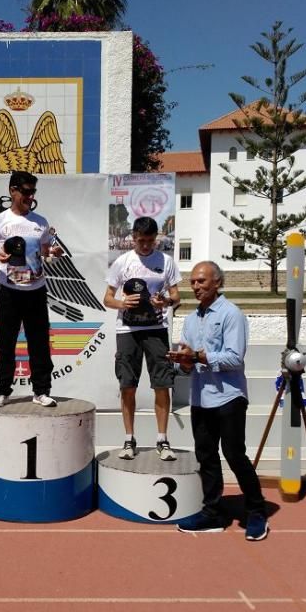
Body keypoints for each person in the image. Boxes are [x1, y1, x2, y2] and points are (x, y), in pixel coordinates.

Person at [167, 261, 269, 541]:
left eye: (202, 281)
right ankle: (213, 512)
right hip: (201, 398)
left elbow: (235, 358)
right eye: (193, 282)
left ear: (217, 283)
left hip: (229, 397)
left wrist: (199, 357)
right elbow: (188, 364)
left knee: (235, 455)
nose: (196, 286)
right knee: (206, 457)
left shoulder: (231, 314)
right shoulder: (189, 319)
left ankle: (257, 511)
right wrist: (184, 361)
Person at [0, 171, 64, 407]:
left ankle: (41, 391)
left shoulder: (41, 222)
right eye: (25, 191)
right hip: (9, 289)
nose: (30, 196)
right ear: (12, 191)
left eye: (33, 191)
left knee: (39, 342)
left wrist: (54, 254)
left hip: (36, 288)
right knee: (6, 341)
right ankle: (2, 390)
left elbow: (47, 252)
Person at [103, 217, 181, 461]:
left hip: (157, 329)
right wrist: (122, 302)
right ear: (133, 237)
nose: (146, 245)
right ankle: (129, 439)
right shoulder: (122, 262)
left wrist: (166, 302)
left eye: (150, 241)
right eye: (141, 241)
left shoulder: (166, 261)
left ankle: (162, 439)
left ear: (156, 238)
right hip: (128, 331)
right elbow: (107, 298)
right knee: (127, 385)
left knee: (162, 384)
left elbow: (176, 295)